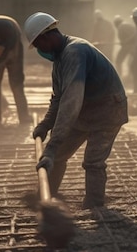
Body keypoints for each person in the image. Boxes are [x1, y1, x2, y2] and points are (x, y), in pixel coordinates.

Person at [25, 11, 128, 209]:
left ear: (46, 37)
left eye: (38, 45)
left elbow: (70, 102)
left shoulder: (75, 52)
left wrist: (52, 146)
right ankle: (46, 201)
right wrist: (46, 125)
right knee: (57, 156)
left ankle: (94, 207)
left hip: (108, 110)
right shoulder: (59, 60)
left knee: (93, 162)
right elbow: (58, 98)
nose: (39, 50)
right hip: (86, 110)